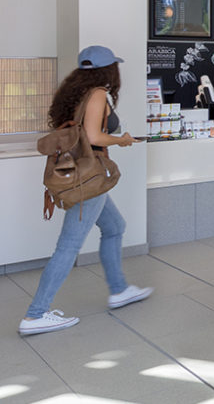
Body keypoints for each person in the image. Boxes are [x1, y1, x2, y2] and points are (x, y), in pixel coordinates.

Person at [19, 46, 153, 336]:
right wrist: (122, 140)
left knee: (115, 226)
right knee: (67, 247)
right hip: (89, 178)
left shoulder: (74, 94)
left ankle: (119, 290)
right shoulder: (97, 94)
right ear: (109, 70)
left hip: (82, 174)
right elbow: (93, 136)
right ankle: (35, 315)